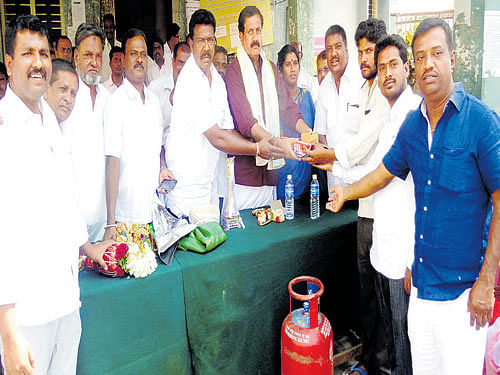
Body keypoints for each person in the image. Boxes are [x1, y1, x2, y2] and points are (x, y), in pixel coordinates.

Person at [328, 17, 500, 374]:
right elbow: (380, 175)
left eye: (436, 53)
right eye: (421, 57)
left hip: (463, 298)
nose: (428, 64)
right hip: (421, 293)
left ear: (452, 58)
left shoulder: (481, 121)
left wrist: (486, 282)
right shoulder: (412, 126)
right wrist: (345, 191)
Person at [0, 14, 111, 375]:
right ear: (9, 62)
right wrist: (8, 331)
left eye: (44, 53)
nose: (38, 62)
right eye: (28, 53)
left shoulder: (49, 121)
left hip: (65, 300)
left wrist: (89, 247)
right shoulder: (5, 130)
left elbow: (65, 201)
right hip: (28, 314)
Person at [309, 20, 390, 375]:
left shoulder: (382, 94)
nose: (360, 57)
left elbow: (360, 148)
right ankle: (368, 357)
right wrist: (315, 149)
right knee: (365, 288)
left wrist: (329, 156)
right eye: (361, 51)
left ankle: (382, 362)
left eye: (366, 51)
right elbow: (323, 135)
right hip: (351, 199)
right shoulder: (346, 87)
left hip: (373, 202)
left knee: (384, 293)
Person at [333, 34, 418, 375]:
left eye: (393, 65)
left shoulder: (413, 114)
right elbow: (371, 167)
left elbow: (383, 175)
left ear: (406, 68)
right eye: (381, 67)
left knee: (404, 341)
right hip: (384, 247)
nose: (386, 73)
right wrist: (332, 164)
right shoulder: (389, 115)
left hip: (404, 254)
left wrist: (346, 191)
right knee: (390, 335)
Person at [165, 9, 285, 216]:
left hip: (211, 185)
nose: (206, 48)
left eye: (210, 40)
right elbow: (217, 138)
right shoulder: (189, 81)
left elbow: (228, 130)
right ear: (190, 43)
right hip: (187, 189)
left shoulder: (217, 81)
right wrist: (257, 148)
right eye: (200, 41)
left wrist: (272, 142)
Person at [225, 5, 310, 210]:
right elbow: (246, 122)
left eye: (258, 30)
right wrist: (279, 145)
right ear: (241, 35)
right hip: (246, 178)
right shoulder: (234, 72)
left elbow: (288, 109)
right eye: (250, 31)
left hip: (271, 173)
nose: (255, 37)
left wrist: (307, 132)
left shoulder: (271, 69)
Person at [103, 28, 171, 241]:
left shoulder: (153, 101)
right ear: (122, 59)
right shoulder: (115, 103)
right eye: (133, 54)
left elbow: (157, 147)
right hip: (127, 218)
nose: (140, 59)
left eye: (143, 54)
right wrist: (111, 222)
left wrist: (162, 168)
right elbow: (112, 162)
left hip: (154, 213)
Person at [62, 23, 109, 242]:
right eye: (88, 55)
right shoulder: (65, 99)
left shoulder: (108, 100)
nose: (94, 63)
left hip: (103, 219)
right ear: (76, 56)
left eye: (98, 56)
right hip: (71, 220)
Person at [276, 44, 315, 201]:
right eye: (288, 64)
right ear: (280, 69)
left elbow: (313, 132)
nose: (292, 68)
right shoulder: (275, 99)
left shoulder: (306, 96)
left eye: (295, 63)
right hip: (282, 176)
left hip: (306, 180)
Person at [149, 42, 191, 161]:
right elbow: (151, 134)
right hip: (163, 163)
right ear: (173, 61)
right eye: (180, 63)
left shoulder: (197, 91)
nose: (183, 68)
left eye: (187, 64)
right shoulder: (155, 88)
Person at [43, 58, 79, 124]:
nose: (68, 100)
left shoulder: (70, 127)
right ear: (45, 90)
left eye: (73, 94)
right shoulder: (33, 125)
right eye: (63, 89)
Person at [101, 13, 121, 83]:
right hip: (105, 86)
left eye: (110, 27)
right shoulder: (101, 48)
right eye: (106, 28)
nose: (108, 30)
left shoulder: (120, 46)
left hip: (120, 85)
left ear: (114, 28)